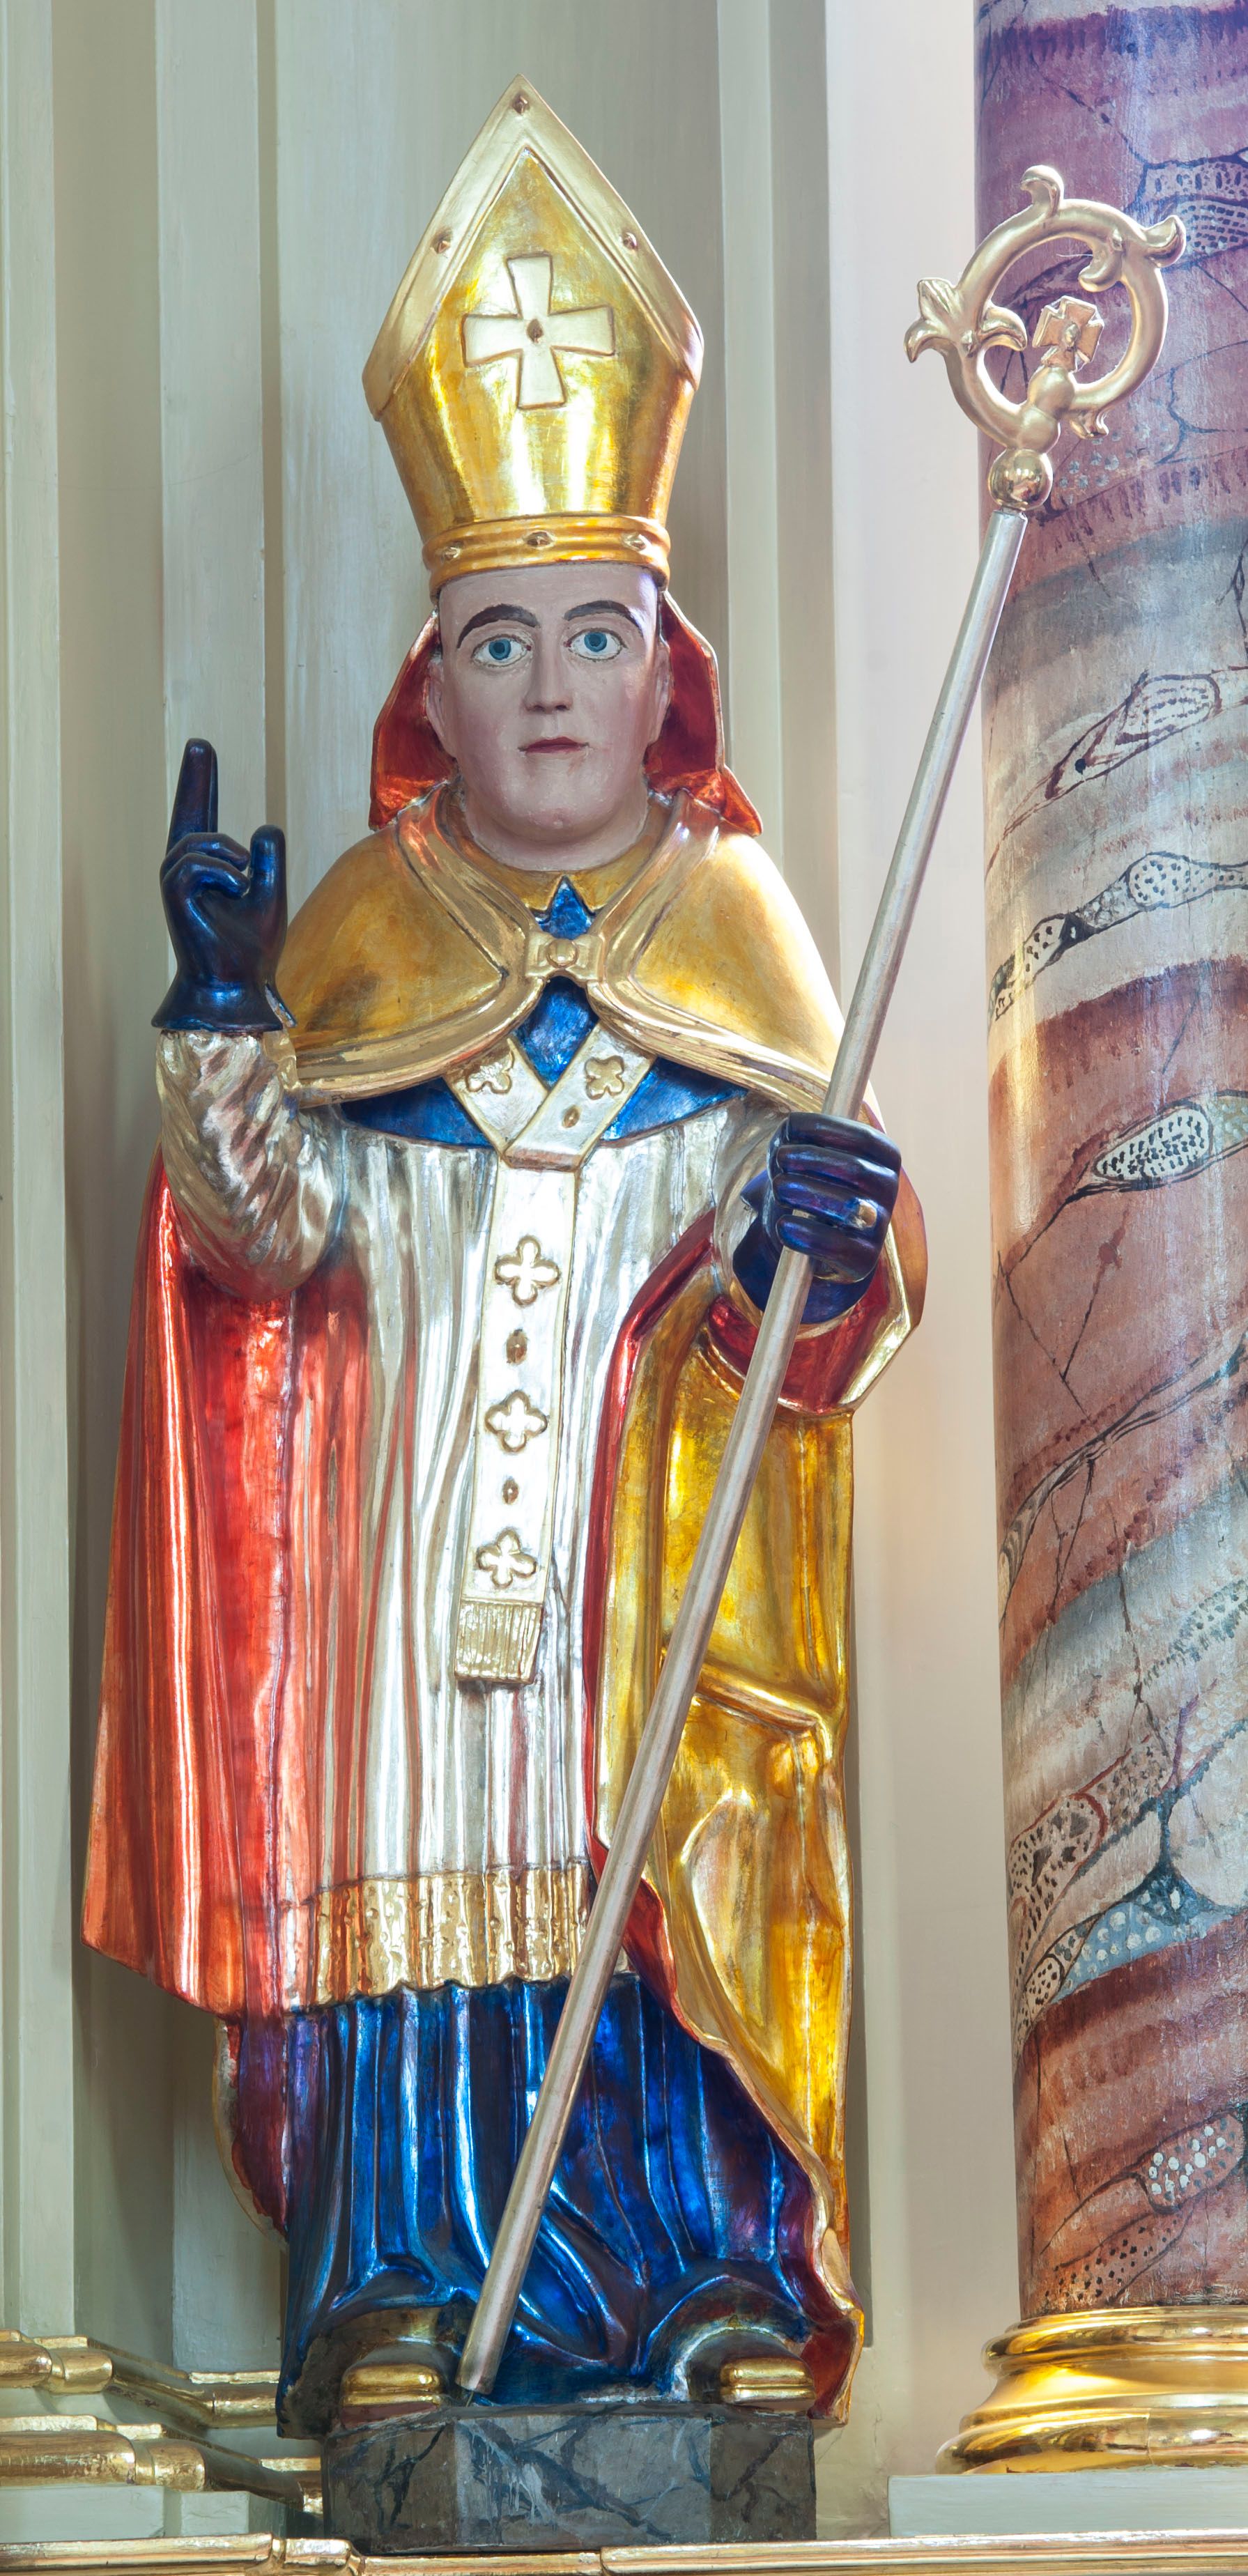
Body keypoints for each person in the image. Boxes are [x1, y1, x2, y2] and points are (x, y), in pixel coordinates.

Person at [83, 77, 924, 2437]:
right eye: (498, 641)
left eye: (593, 634)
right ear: (430, 679)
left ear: (666, 665)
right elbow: (261, 1250)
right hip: (413, 1557)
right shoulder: (367, 927)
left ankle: (698, 2273)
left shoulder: (743, 927)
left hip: (649, 1571)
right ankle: (396, 2279)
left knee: (645, 1863)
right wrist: (226, 1025)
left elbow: (828, 1282)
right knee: (426, 1890)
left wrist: (815, 1244)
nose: (550, 686)